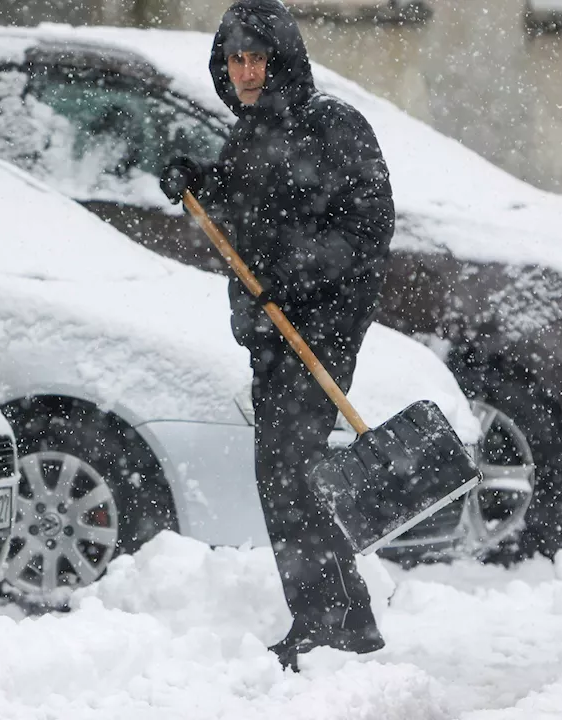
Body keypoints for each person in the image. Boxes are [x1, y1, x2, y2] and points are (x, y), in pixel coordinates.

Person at [158, 0, 395, 671]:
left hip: (321, 329)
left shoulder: (333, 126)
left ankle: (329, 623)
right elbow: (239, 209)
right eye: (235, 58)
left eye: (258, 56)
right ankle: (342, 617)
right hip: (269, 334)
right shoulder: (248, 136)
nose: (246, 70)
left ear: (284, 56)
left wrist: (298, 273)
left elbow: (368, 227)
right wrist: (194, 178)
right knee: (285, 476)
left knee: (289, 473)